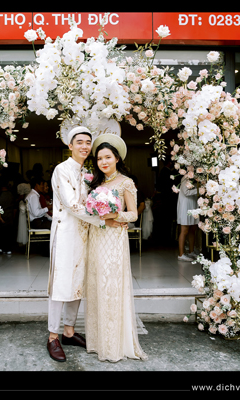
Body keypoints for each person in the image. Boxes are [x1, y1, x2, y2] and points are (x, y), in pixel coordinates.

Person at [46, 126, 124, 362]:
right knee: (60, 284)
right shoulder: (62, 170)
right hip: (65, 234)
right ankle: (53, 336)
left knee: (77, 283)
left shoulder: (87, 173)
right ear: (70, 146)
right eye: (79, 142)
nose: (84, 146)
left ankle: (69, 332)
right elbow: (72, 205)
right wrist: (103, 220)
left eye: (88, 142)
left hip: (84, 234)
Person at [85, 133, 148, 362]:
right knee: (96, 286)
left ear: (117, 158)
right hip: (96, 238)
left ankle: (114, 345)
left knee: (111, 286)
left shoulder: (125, 182)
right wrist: (100, 216)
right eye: (99, 158)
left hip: (113, 240)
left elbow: (133, 214)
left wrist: (113, 214)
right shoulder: (96, 183)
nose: (103, 162)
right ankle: (98, 342)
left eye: (107, 157)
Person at [177, 174, 198, 261]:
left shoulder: (195, 178)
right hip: (185, 206)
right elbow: (186, 192)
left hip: (193, 204)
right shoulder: (185, 178)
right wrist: (198, 190)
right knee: (184, 230)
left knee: (193, 229)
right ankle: (181, 254)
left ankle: (191, 251)